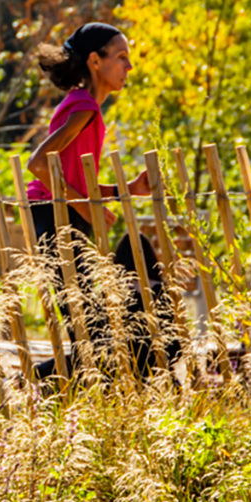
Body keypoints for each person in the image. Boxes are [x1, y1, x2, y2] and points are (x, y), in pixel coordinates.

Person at [22, 22, 162, 377]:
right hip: (55, 220)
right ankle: (26, 384)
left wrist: (127, 189)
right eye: (121, 57)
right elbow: (38, 165)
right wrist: (82, 206)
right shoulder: (85, 107)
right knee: (91, 338)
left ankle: (33, 385)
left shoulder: (83, 106)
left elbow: (74, 181)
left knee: (91, 336)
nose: (129, 66)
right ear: (95, 61)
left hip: (62, 216)